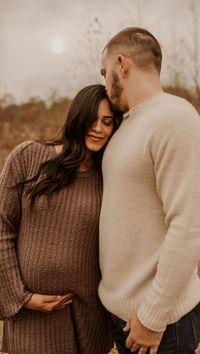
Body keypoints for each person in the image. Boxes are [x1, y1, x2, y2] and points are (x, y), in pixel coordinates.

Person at [99, 27, 200, 354]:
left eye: (105, 73)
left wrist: (154, 315)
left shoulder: (175, 118)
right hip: (124, 315)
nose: (106, 85)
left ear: (122, 65)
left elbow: (189, 227)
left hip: (161, 324)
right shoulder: (127, 126)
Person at [0, 84, 121, 354]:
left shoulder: (110, 178)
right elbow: (2, 227)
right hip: (32, 317)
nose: (98, 128)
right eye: (92, 118)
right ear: (75, 116)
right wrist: (22, 297)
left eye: (107, 122)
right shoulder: (28, 157)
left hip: (88, 315)